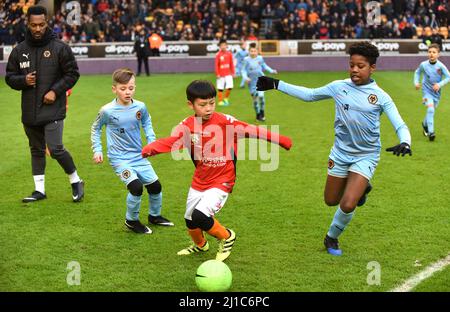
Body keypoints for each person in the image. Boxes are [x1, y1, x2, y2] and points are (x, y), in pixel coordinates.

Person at [257, 42, 412, 256]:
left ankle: (331, 238)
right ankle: (361, 188)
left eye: (361, 66)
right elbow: (309, 94)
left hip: (366, 155)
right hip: (340, 154)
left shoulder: (381, 97)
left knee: (348, 204)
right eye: (352, 65)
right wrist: (276, 84)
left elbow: (400, 124)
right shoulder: (339, 87)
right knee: (330, 200)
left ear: (372, 68)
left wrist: (405, 142)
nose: (355, 70)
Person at [141, 80, 292, 261]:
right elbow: (172, 141)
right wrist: (151, 148)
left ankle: (227, 236)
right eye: (202, 104)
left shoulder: (225, 122)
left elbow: (252, 130)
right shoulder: (188, 125)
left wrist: (280, 139)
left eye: (212, 103)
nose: (208, 108)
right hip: (200, 179)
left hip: (223, 179)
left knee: (201, 215)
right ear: (191, 105)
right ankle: (200, 245)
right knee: (190, 219)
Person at [5, 5, 84, 203]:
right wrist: (23, 81)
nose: (38, 29)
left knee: (56, 148)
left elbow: (72, 74)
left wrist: (54, 91)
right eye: (34, 25)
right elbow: (9, 77)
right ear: (28, 24)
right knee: (36, 149)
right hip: (29, 112)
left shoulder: (60, 48)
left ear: (47, 22)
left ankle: (76, 180)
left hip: (53, 109)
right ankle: (39, 190)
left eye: (41, 24)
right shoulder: (20, 50)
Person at [91, 68, 173, 234]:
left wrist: (151, 142)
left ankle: (154, 216)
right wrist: (97, 150)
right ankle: (131, 221)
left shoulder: (140, 107)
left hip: (138, 155)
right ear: (114, 89)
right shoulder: (107, 110)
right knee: (136, 187)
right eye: (123, 89)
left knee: (155, 186)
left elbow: (147, 123)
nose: (127, 92)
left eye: (131, 88)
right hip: (119, 159)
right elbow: (95, 128)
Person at [414, 43, 450, 141]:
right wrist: (416, 82)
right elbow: (417, 72)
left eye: (434, 52)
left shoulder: (441, 66)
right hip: (426, 91)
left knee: (431, 110)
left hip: (436, 93)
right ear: (427, 53)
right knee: (431, 110)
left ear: (438, 54)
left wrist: (439, 84)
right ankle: (431, 132)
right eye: (429, 52)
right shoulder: (423, 64)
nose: (431, 54)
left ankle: (425, 124)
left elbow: (448, 77)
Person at [242, 42, 278, 122]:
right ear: (249, 52)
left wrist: (272, 71)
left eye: (254, 51)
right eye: (251, 51)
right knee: (255, 99)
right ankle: (258, 114)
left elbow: (264, 66)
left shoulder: (260, 58)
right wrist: (245, 77)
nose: (253, 53)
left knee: (261, 97)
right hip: (251, 82)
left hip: (261, 79)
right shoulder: (246, 60)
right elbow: (243, 70)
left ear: (257, 52)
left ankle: (262, 112)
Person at [215, 38, 235, 107]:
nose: (223, 46)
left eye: (224, 45)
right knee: (220, 88)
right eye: (221, 45)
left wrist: (233, 72)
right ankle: (220, 101)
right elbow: (216, 65)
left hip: (228, 73)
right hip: (221, 74)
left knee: (230, 86)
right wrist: (217, 73)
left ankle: (226, 98)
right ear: (220, 46)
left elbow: (231, 63)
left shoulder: (229, 54)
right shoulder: (218, 54)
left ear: (226, 46)